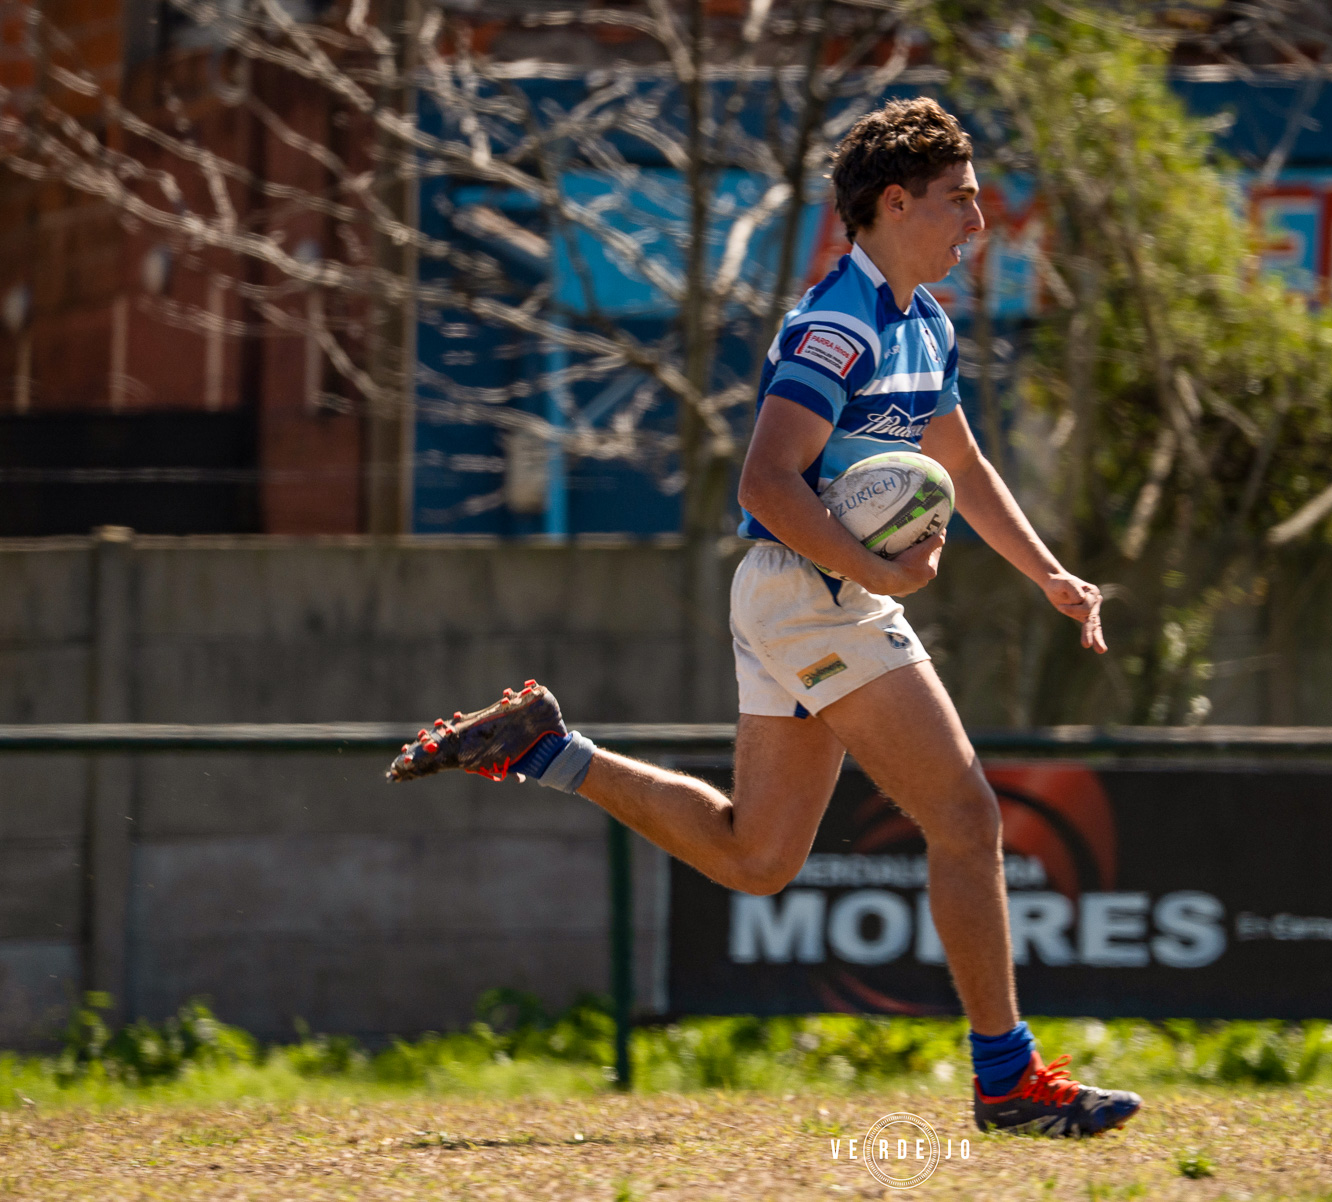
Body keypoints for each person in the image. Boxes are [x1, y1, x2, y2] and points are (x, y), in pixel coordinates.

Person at [389, 97, 1140, 1137]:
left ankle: (548, 748)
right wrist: (874, 567)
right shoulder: (837, 322)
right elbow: (769, 477)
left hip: (804, 593)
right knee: (966, 818)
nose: (979, 222)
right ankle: (1007, 1077)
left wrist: (1053, 575)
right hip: (811, 587)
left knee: (758, 858)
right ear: (892, 201)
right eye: (960, 201)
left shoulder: (923, 322)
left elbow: (960, 464)